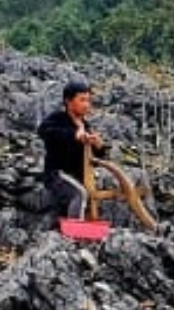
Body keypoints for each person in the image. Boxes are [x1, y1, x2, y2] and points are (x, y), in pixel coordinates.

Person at [37, 80, 156, 230]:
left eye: (88, 100)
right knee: (80, 194)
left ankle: (147, 225)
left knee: (122, 186)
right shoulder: (58, 118)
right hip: (57, 174)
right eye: (82, 100)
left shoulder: (85, 125)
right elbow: (43, 131)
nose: (87, 104)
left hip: (80, 174)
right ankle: (75, 235)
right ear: (68, 101)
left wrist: (98, 146)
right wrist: (74, 135)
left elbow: (94, 155)